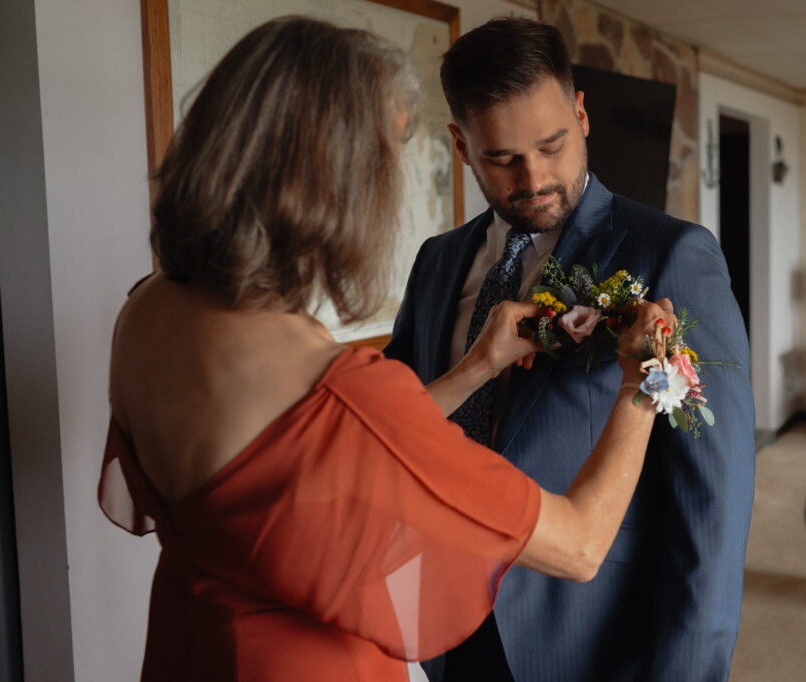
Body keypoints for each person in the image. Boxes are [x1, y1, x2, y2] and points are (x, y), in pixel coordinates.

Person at [98, 15, 675, 682]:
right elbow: (579, 545)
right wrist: (640, 384)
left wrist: (475, 368)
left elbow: (327, 453)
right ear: (340, 184)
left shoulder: (145, 312)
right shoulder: (339, 390)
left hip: (188, 651)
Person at [384, 16, 756, 682]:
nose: (534, 177)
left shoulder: (671, 255)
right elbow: (394, 427)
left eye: (552, 145)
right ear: (461, 146)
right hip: (445, 627)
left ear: (581, 116)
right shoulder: (436, 263)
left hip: (592, 640)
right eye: (502, 158)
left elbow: (713, 500)